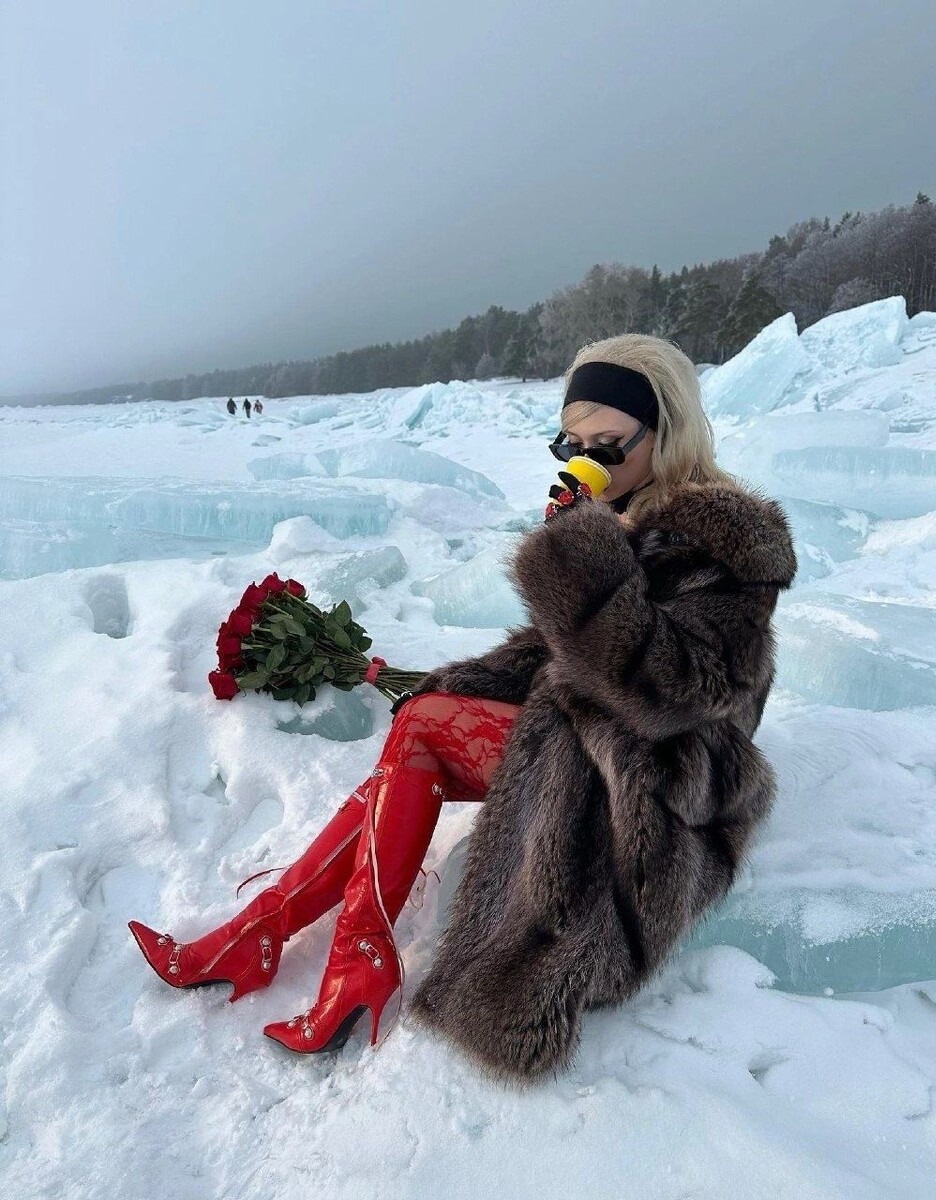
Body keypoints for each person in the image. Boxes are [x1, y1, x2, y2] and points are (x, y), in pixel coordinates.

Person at [129, 333, 797, 1079]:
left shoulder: (727, 543)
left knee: (422, 731)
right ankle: (279, 934)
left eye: (607, 446)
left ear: (666, 432)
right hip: (589, 734)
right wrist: (471, 676)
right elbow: (558, 656)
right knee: (422, 732)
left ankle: (325, 950)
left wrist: (582, 560)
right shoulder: (623, 514)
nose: (588, 462)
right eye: (571, 446)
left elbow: (675, 690)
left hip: (662, 770)